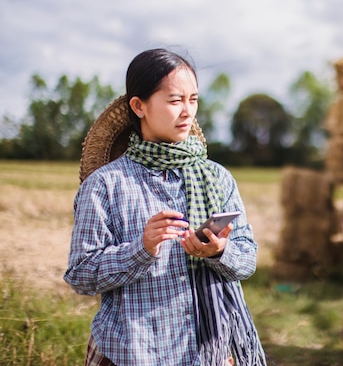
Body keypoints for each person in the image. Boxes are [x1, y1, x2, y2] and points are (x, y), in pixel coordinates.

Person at [64, 48, 267, 366]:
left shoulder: (217, 177)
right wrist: (140, 249)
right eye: (175, 101)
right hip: (131, 352)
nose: (188, 111)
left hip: (208, 353)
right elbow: (80, 275)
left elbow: (247, 261)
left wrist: (218, 251)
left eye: (193, 99)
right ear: (139, 106)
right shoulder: (106, 185)